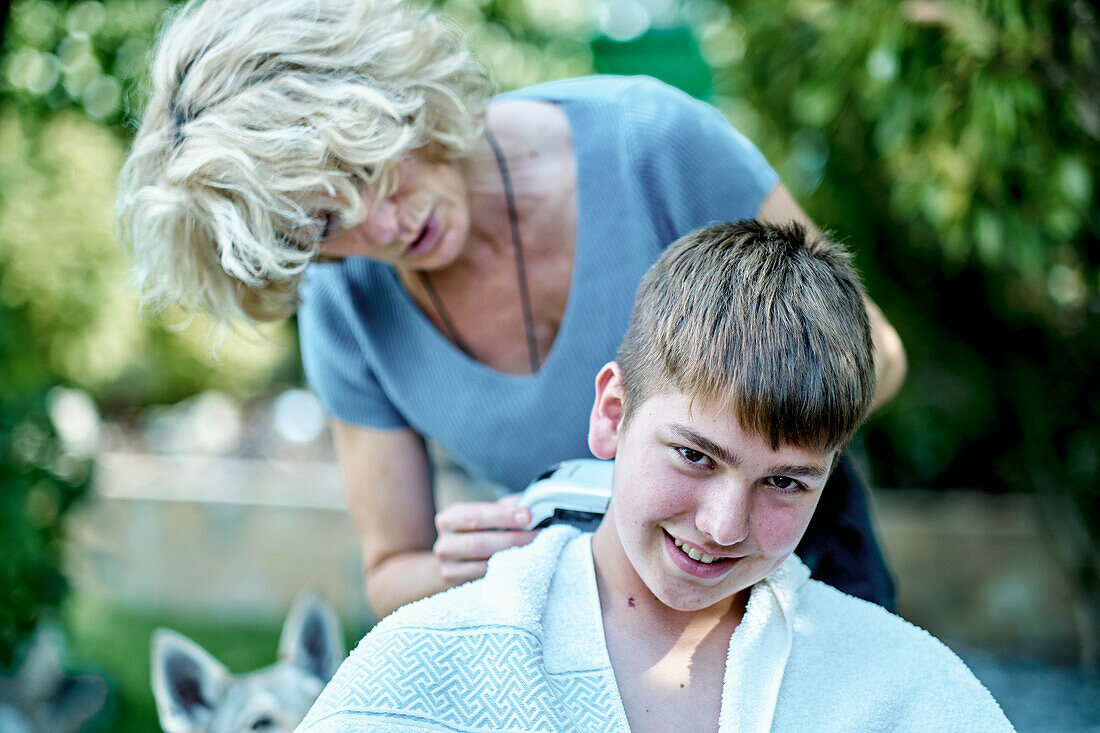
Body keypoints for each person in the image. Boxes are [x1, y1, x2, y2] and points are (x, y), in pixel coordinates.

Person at [116, 0, 907, 618]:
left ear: (391, 93)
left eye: (365, 167)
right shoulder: (344, 308)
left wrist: (733, 477)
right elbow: (392, 572)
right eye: (325, 224)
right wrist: (459, 564)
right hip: (581, 619)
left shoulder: (652, 143)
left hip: (792, 568)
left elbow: (876, 351)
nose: (383, 226)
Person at [296, 221, 1012, 733]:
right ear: (612, 412)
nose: (723, 526)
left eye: (786, 482)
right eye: (696, 456)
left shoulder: (900, 686)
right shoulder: (428, 664)